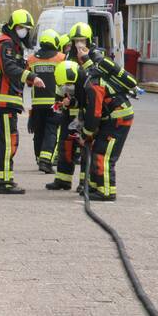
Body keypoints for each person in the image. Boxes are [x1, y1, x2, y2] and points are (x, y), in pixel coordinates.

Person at [0, 9, 44, 195]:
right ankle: (5, 181)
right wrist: (31, 77)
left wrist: (29, 76)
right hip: (3, 100)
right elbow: (9, 67)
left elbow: (18, 68)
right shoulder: (7, 43)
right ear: (13, 27)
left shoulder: (15, 45)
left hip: (6, 99)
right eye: (21, 27)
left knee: (0, 140)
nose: (24, 31)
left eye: (26, 28)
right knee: (9, 141)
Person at [77, 47, 137, 201]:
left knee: (103, 154)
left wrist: (86, 133)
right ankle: (95, 187)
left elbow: (94, 113)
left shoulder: (95, 84)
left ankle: (106, 192)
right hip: (112, 117)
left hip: (117, 119)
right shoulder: (97, 76)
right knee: (96, 150)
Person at [45, 22, 99, 191]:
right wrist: (59, 101)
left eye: (82, 40)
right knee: (66, 144)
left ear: (89, 40)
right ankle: (63, 179)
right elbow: (61, 79)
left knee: (86, 146)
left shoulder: (96, 56)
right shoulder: (69, 56)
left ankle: (84, 182)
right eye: (76, 40)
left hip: (86, 109)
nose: (79, 44)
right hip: (69, 108)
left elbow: (96, 81)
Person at [27, 29, 64, 174]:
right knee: (52, 131)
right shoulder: (61, 57)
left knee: (39, 132)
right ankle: (46, 160)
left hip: (37, 103)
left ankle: (39, 158)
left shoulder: (31, 59)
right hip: (55, 102)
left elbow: (28, 82)